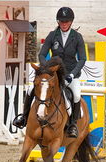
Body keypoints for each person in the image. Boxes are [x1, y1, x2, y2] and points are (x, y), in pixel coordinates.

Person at [13, 7, 86, 138]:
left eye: (67, 21)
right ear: (58, 22)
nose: (64, 24)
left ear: (71, 22)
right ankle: (23, 118)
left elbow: (82, 59)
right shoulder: (52, 35)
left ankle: (72, 125)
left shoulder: (77, 37)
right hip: (53, 73)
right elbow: (42, 54)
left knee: (76, 95)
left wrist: (72, 74)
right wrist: (46, 69)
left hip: (70, 74)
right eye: (61, 21)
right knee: (31, 89)